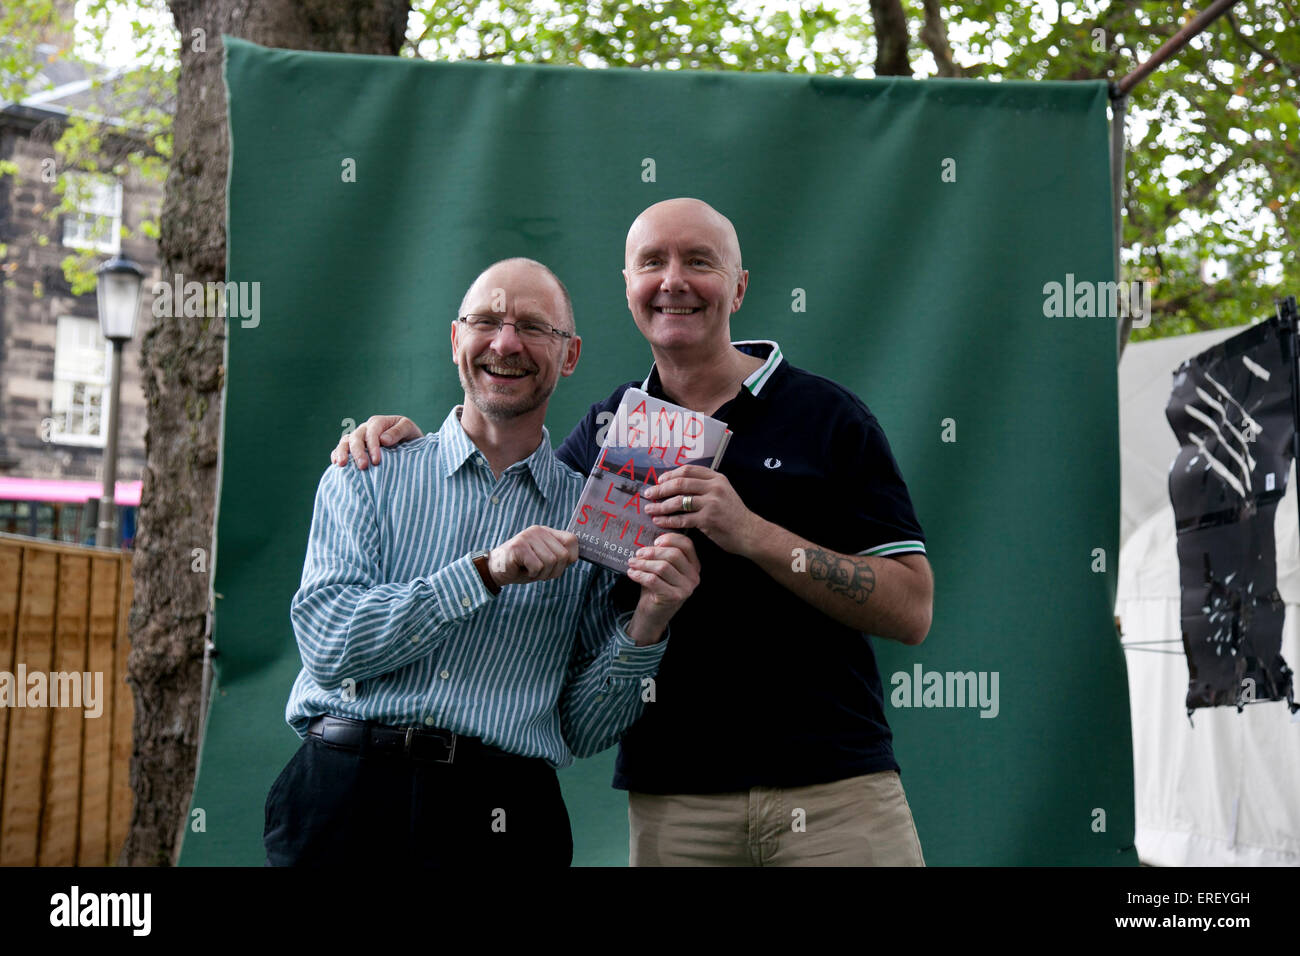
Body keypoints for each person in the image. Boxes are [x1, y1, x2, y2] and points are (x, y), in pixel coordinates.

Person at [333, 200, 934, 866]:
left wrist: (753, 533)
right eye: (652, 262)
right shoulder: (605, 429)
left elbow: (911, 609)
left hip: (837, 789)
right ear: (628, 289)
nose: (673, 280)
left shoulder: (829, 417)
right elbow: (506, 503)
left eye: (698, 261)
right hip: (674, 799)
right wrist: (410, 442)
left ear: (738, 286)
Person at [267, 257, 700, 867]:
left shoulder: (598, 518)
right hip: (343, 799)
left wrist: (650, 621)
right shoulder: (367, 472)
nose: (506, 343)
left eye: (532, 327)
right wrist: (483, 573)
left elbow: (583, 729)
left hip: (504, 817)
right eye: (486, 322)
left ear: (570, 355)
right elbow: (330, 647)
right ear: (455, 339)